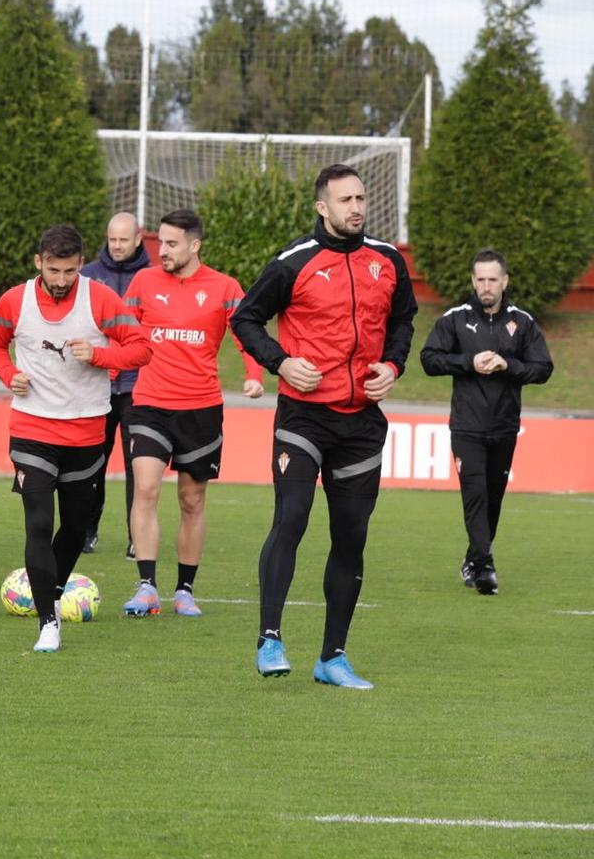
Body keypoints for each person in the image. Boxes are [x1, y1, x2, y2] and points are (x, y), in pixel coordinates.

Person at [231, 163, 416, 689]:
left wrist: (394, 364)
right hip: (303, 417)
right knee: (291, 519)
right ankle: (270, 638)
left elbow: (404, 318)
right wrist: (281, 362)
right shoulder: (294, 263)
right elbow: (245, 318)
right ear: (322, 207)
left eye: (360, 198)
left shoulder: (388, 260)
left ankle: (332, 658)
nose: (356, 207)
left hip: (361, 423)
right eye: (345, 200)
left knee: (351, 538)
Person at [0, 224, 150, 653]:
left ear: (80, 266)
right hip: (32, 428)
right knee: (39, 521)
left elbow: (142, 348)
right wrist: (8, 375)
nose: (60, 280)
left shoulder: (101, 299)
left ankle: (50, 592)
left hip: (87, 429)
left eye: (69, 272)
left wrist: (101, 356)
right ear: (38, 263)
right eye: (53, 270)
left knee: (75, 527)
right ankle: (47, 621)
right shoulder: (15, 300)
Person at [119, 209, 264, 618]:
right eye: (158, 242)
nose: (161, 251)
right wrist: (107, 367)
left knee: (192, 499)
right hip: (148, 403)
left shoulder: (224, 287)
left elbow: (246, 334)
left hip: (201, 408)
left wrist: (254, 375)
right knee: (145, 488)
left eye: (171, 244)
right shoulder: (144, 282)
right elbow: (122, 331)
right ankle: (146, 585)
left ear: (194, 245)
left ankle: (185, 589)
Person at [419, 248, 552, 596]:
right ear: (473, 281)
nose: (487, 286)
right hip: (466, 427)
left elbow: (543, 368)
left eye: (493, 279)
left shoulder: (522, 322)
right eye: (481, 279)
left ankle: (472, 558)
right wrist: (468, 362)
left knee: (493, 499)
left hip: (505, 426)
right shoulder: (456, 319)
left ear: (505, 281)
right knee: (475, 495)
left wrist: (509, 365)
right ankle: (485, 566)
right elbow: (429, 359)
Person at [82, 211, 149, 557]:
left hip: (139, 387)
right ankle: (86, 532)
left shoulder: (153, 277)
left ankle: (136, 538)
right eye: (113, 239)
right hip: (97, 386)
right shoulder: (88, 277)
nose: (118, 245)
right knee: (93, 463)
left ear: (138, 239)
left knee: (138, 466)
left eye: (124, 239)